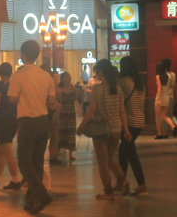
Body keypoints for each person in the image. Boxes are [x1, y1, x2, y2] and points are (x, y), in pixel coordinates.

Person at [8, 40, 58, 214]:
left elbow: (12, 99)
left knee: (24, 162)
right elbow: (51, 102)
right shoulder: (46, 76)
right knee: (37, 162)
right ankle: (32, 201)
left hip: (27, 122)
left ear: (22, 56)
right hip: (43, 122)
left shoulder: (19, 75)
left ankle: (41, 194)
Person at [79, 59, 128, 199]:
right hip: (116, 129)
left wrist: (82, 125)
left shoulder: (98, 89)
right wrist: (126, 129)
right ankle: (122, 181)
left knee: (102, 162)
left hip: (102, 129)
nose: (96, 76)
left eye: (96, 73)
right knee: (110, 158)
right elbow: (122, 111)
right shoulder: (118, 89)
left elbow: (91, 109)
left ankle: (108, 191)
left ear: (101, 72)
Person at [117, 55, 148, 194]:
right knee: (124, 152)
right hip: (139, 121)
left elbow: (118, 100)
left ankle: (141, 185)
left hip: (129, 122)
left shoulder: (123, 81)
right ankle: (122, 184)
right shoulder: (140, 82)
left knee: (130, 153)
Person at [0, 62, 22, 191]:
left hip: (1, 120)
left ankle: (15, 180)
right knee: (2, 151)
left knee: (7, 152)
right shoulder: (14, 84)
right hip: (13, 119)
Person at [51, 72, 78, 165]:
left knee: (71, 133)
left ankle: (70, 153)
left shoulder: (73, 88)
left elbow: (76, 99)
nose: (66, 79)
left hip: (71, 112)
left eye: (68, 77)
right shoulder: (59, 88)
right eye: (65, 77)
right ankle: (56, 152)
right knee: (60, 132)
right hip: (61, 113)